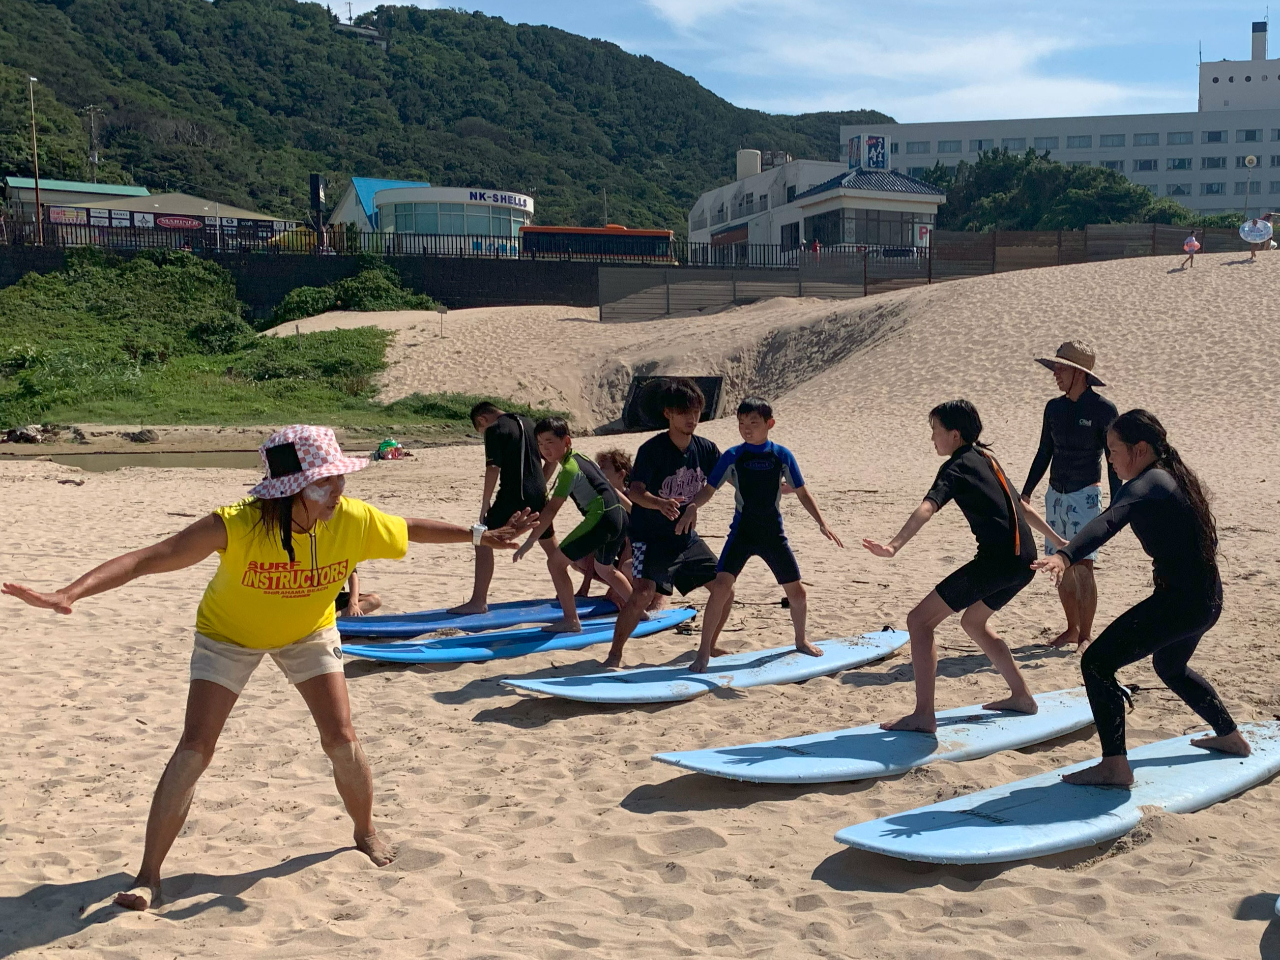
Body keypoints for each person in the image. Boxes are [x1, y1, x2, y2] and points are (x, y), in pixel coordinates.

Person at [2, 425, 533, 911]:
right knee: (194, 750)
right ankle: (148, 875)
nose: (340, 489)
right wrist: (68, 592)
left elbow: (410, 528)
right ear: (293, 488)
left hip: (308, 631)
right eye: (327, 481)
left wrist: (478, 534)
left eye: (340, 478)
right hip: (227, 636)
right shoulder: (235, 524)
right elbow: (150, 557)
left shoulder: (350, 520)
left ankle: (365, 829)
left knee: (342, 739)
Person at [1032, 410, 1250, 785]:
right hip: (1204, 597)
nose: (1110, 459)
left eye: (1114, 450)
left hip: (1182, 602)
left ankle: (1115, 766)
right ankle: (1230, 737)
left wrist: (1065, 555)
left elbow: (1109, 520)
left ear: (1141, 449)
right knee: (1170, 666)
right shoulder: (1169, 477)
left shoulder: (1151, 482)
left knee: (1097, 663)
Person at [863, 400, 1064, 733]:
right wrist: (1058, 540)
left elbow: (928, 507)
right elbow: (1022, 508)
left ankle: (924, 715)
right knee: (974, 622)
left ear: (954, 435)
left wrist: (893, 546)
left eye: (935, 431)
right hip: (1024, 561)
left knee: (919, 621)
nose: (932, 439)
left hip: (998, 562)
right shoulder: (988, 459)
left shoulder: (955, 468)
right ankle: (1022, 697)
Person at [678, 397, 843, 673]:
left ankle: (801, 639)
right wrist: (693, 506)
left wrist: (821, 522)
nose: (746, 429)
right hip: (742, 532)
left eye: (753, 423)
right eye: (742, 424)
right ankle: (703, 652)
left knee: (798, 594)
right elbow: (709, 489)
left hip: (772, 534)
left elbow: (801, 492)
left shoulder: (781, 455)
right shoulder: (733, 455)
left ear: (770, 424)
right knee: (720, 588)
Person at [603, 378, 723, 669]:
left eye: (696, 411)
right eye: (684, 412)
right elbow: (635, 491)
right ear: (668, 413)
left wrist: (695, 505)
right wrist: (659, 503)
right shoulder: (652, 449)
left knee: (724, 586)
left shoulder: (705, 449)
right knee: (643, 592)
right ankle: (615, 653)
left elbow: (721, 479)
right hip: (650, 536)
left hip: (685, 537)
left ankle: (711, 644)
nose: (691, 418)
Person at [1020, 341, 1120, 651]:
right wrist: (1026, 492)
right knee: (1059, 565)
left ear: (1079, 373)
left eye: (1060, 369)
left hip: (1085, 496)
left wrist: (1118, 504)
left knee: (1083, 566)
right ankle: (1071, 629)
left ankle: (1086, 635)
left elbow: (1112, 457)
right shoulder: (1054, 407)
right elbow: (1043, 452)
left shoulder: (1103, 410)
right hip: (1056, 496)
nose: (1055, 374)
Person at [513, 418, 633, 632]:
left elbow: (551, 510)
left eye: (550, 442)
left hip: (602, 518)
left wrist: (531, 541)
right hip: (618, 517)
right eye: (540, 444)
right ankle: (637, 611)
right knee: (605, 569)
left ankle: (571, 620)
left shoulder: (569, 469)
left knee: (555, 563)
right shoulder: (582, 458)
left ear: (566, 441)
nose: (544, 449)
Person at [450, 402, 554, 615]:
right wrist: (539, 485)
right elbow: (552, 459)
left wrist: (485, 501)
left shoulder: (495, 429)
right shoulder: (530, 423)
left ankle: (478, 601)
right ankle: (572, 592)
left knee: (482, 538)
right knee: (550, 546)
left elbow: (493, 468)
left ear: (482, 420)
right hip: (538, 493)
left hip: (513, 495)